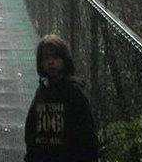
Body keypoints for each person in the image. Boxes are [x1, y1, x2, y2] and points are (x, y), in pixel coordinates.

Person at [24, 34, 99, 162]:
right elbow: (31, 129)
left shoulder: (74, 92)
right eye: (46, 58)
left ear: (64, 59)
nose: (50, 62)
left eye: (55, 57)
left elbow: (87, 134)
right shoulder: (42, 92)